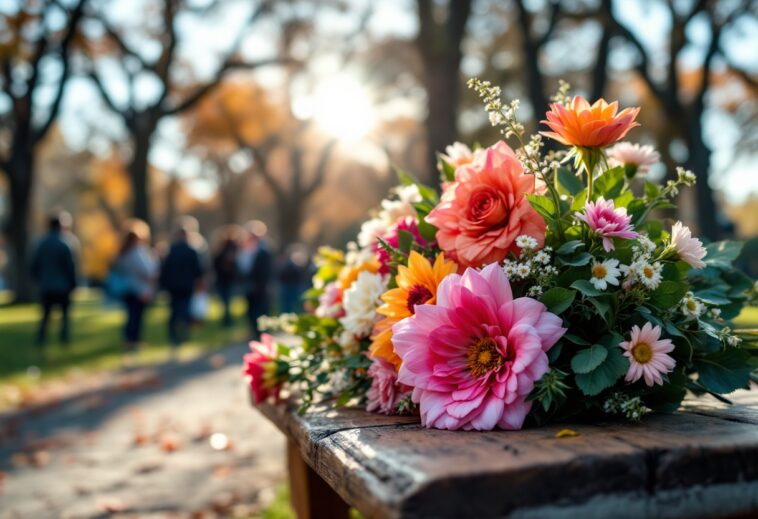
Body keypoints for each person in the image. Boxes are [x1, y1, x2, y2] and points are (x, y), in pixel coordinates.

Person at [31, 212, 77, 346]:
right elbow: (70, 267)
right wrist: (73, 283)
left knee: (45, 316)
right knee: (65, 316)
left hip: (46, 286)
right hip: (63, 286)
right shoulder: (65, 244)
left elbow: (34, 266)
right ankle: (64, 339)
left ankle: (41, 339)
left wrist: (41, 279)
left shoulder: (41, 244)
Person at [112, 219, 158, 354]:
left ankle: (128, 340)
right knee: (136, 317)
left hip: (127, 288)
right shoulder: (137, 252)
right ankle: (134, 341)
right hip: (139, 289)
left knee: (131, 315)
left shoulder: (123, 253)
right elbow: (148, 271)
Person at [160, 218, 204, 349]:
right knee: (183, 310)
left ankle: (174, 334)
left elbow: (165, 269)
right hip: (185, 286)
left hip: (175, 286)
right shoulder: (191, 251)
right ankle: (182, 334)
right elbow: (198, 270)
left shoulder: (172, 250)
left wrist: (164, 284)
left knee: (175, 310)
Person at [238, 220, 272, 339]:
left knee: (262, 310)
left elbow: (267, 270)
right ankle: (254, 331)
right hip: (249, 287)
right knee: (251, 311)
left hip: (261, 287)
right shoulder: (244, 252)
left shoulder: (264, 251)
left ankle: (263, 332)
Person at [212, 226, 240, 327]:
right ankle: (227, 319)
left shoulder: (234, 248)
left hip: (227, 279)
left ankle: (228, 319)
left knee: (227, 301)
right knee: (226, 301)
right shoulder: (223, 249)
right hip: (225, 279)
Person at [278, 243, 310, 313]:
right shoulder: (286, 263)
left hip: (294, 286)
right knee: (286, 305)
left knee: (292, 304)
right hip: (287, 286)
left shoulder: (298, 262)